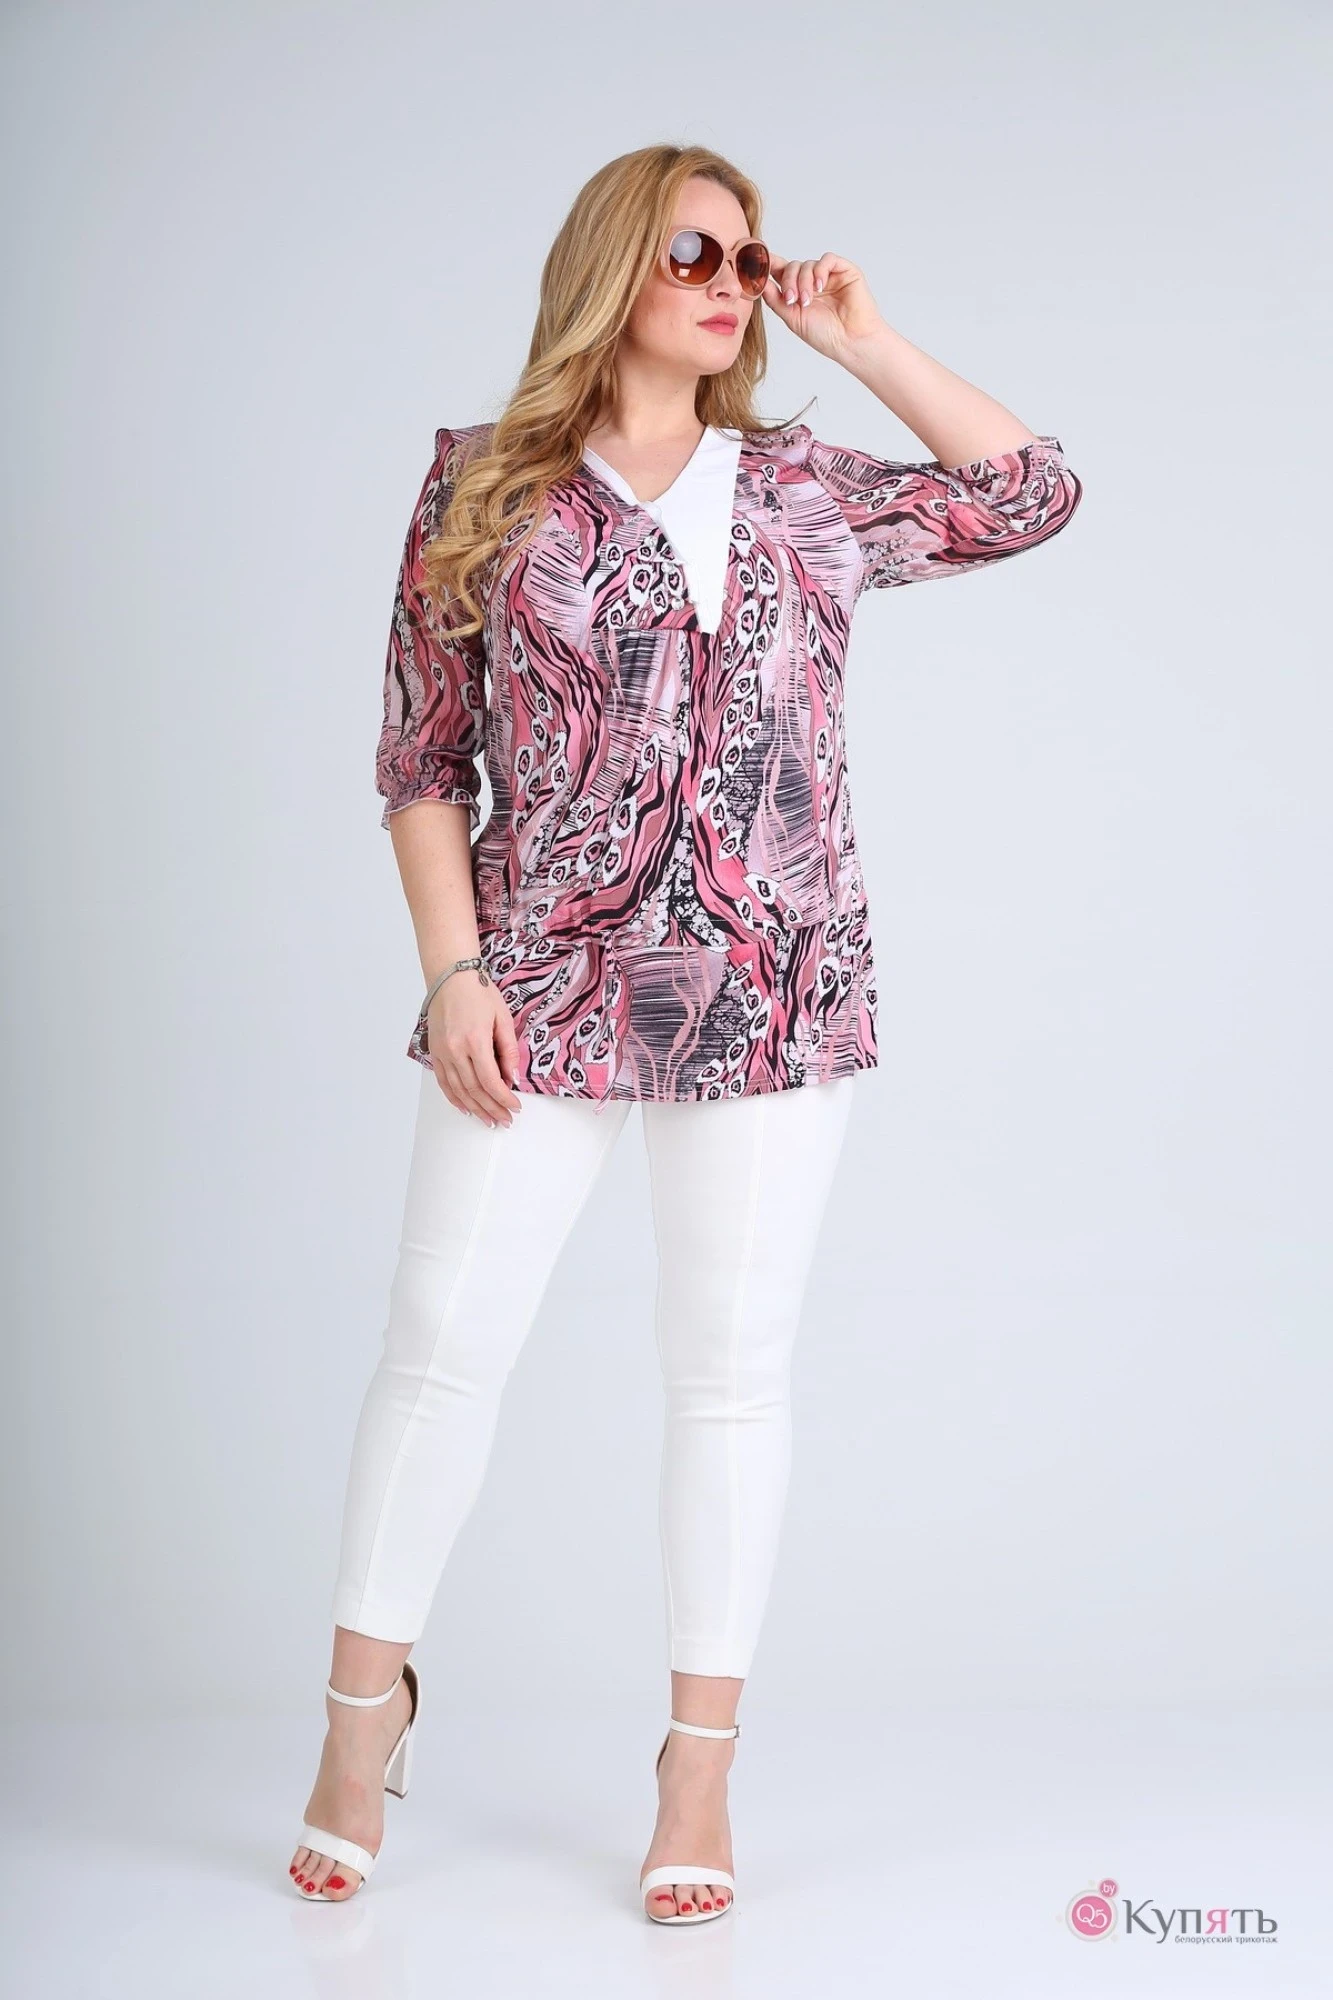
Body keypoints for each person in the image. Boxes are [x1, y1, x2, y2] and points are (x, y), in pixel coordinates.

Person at [287, 142, 1083, 1923]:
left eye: (746, 253)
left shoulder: (804, 486)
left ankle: (699, 1768)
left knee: (728, 1373)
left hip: (773, 983)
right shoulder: (484, 487)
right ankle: (357, 1720)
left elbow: (1033, 493)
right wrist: (452, 976)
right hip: (539, 987)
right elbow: (421, 762)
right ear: (610, 273)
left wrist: (864, 341)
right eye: (692, 253)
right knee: (440, 1351)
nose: (731, 281)